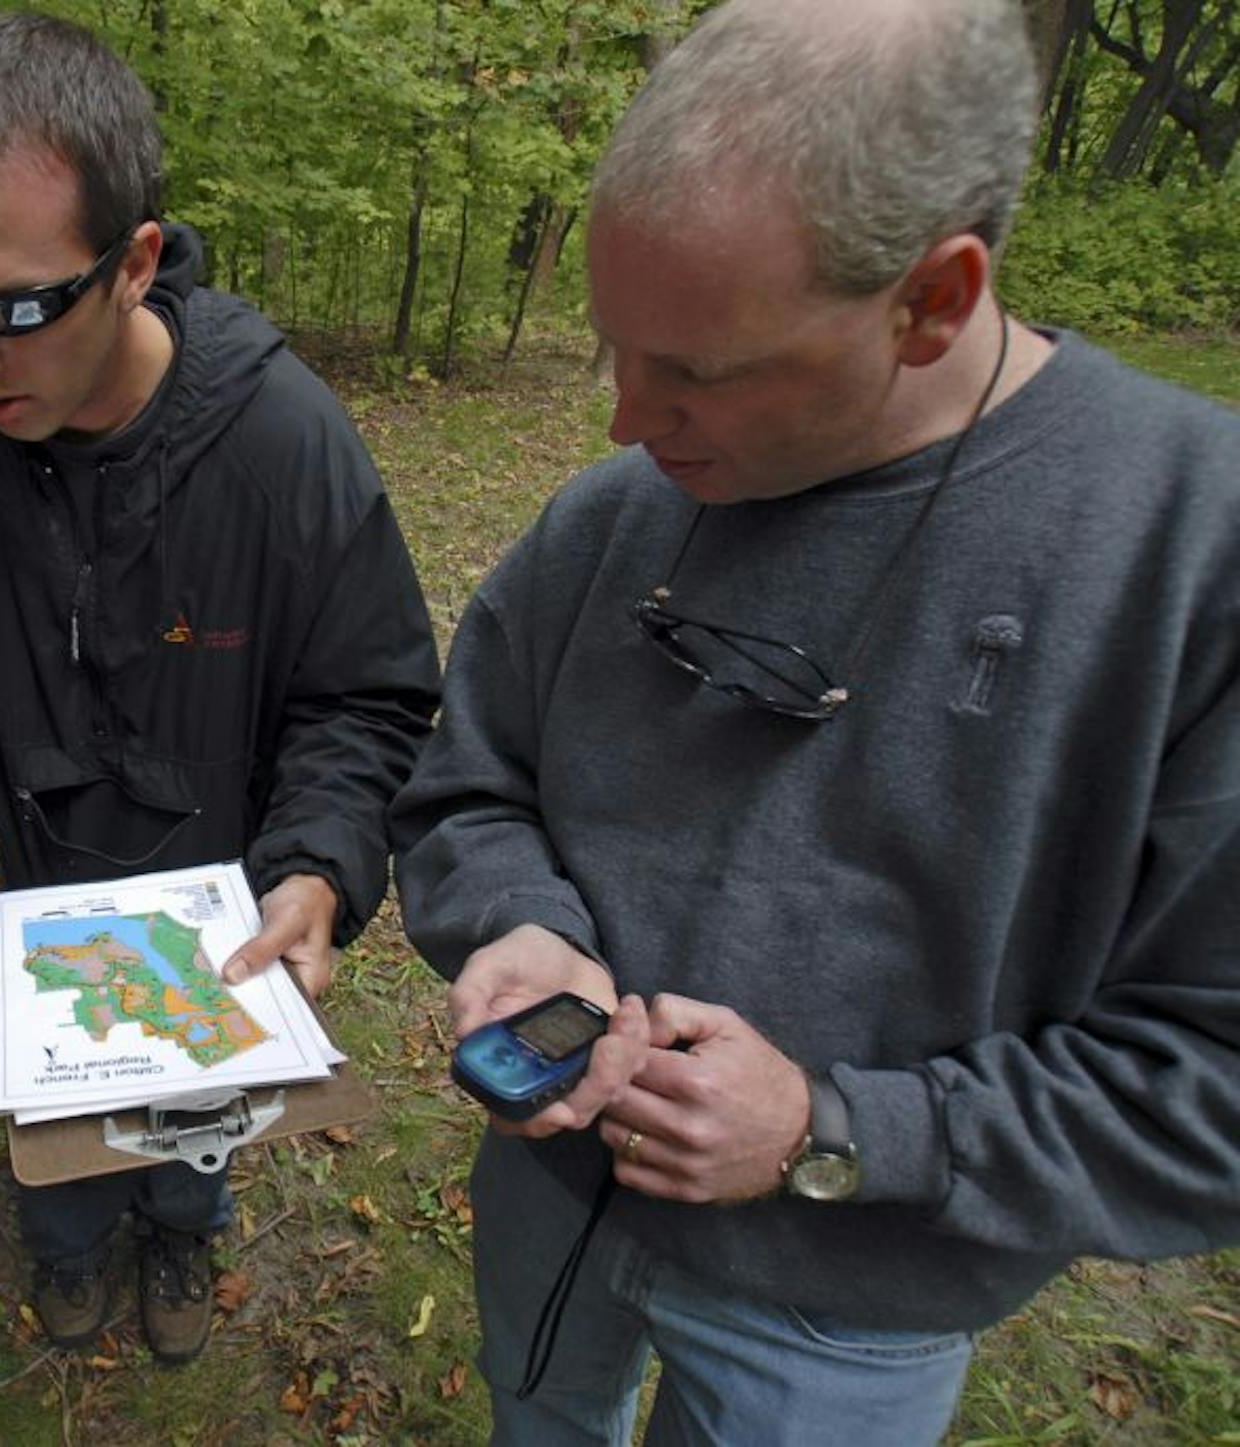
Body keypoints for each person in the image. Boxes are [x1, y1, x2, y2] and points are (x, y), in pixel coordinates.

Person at [390, 0, 1240, 1441]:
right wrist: (517, 927)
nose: (624, 422)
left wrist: (836, 1135)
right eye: (617, 349)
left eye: (698, 370)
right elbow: (467, 783)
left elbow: (1211, 1079)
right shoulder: (615, 517)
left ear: (936, 300)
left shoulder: (1187, 555)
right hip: (554, 1199)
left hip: (846, 1303)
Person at [0, 13, 440, 1365]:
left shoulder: (284, 446)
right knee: (55, 1159)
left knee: (191, 1139)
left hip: (224, 912)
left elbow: (370, 700)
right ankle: (70, 1248)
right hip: (41, 900)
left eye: (17, 309)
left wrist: (323, 868)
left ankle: (181, 1234)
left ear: (137, 262)